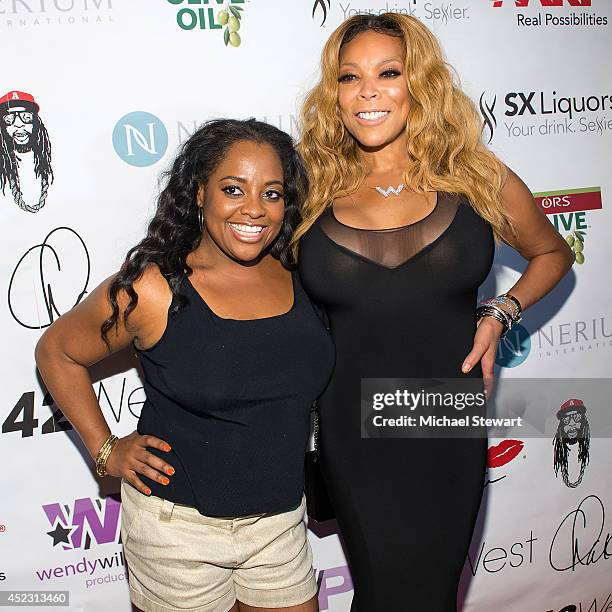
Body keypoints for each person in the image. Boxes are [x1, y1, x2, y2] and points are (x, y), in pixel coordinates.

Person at [295, 14, 573, 611]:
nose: (367, 91)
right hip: (353, 423)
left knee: (432, 593)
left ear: (418, 83)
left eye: (387, 73)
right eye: (350, 77)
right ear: (334, 93)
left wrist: (500, 311)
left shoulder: (476, 176)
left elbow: (551, 252)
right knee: (379, 589)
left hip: (444, 412)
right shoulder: (306, 187)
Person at [35, 118, 334, 612]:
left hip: (280, 523)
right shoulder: (154, 288)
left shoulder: (304, 274)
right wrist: (104, 448)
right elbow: (57, 352)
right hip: (178, 533)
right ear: (199, 193)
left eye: (273, 193)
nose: (255, 209)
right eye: (233, 189)